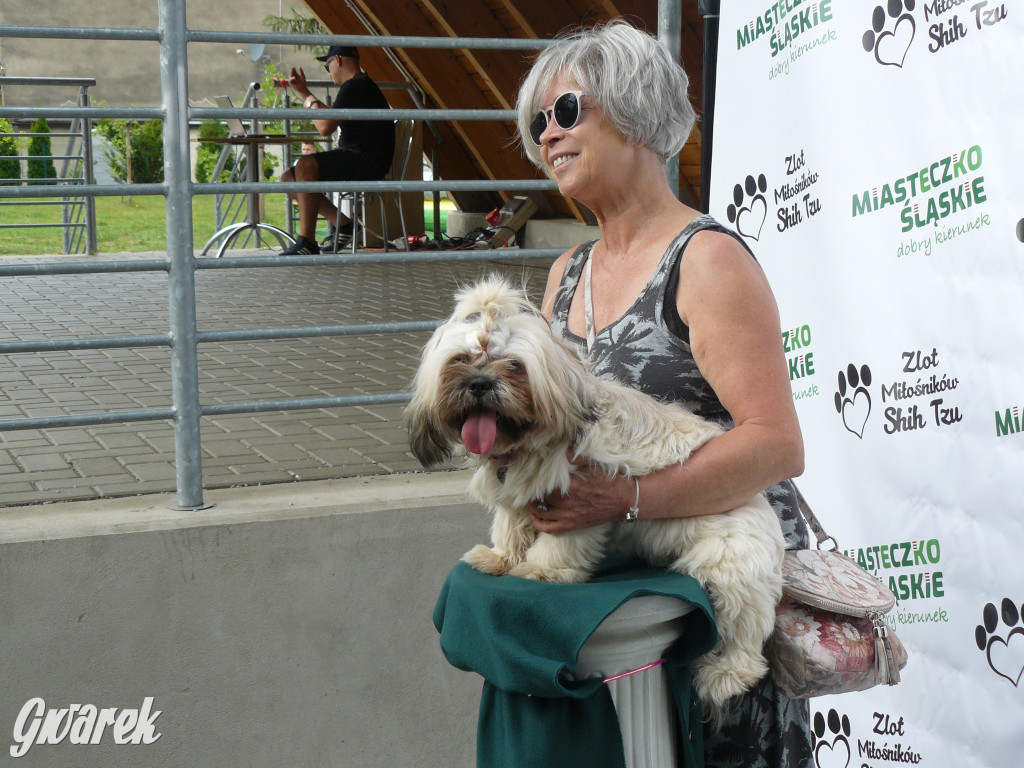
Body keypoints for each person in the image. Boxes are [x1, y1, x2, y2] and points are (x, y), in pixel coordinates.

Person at [516, 21, 813, 768]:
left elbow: (777, 445)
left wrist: (626, 499)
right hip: (613, 617)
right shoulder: (564, 278)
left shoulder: (705, 261)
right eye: (535, 122)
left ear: (637, 112)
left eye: (567, 112)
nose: (548, 136)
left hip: (712, 617)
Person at [279, 45, 395, 255]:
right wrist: (303, 92)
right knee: (289, 177)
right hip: (360, 157)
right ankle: (344, 224)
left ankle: (307, 241)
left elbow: (324, 127)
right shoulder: (359, 86)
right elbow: (330, 115)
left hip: (366, 161)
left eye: (327, 65)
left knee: (305, 165)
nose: (329, 71)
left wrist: (307, 98)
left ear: (338, 60)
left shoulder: (355, 86)